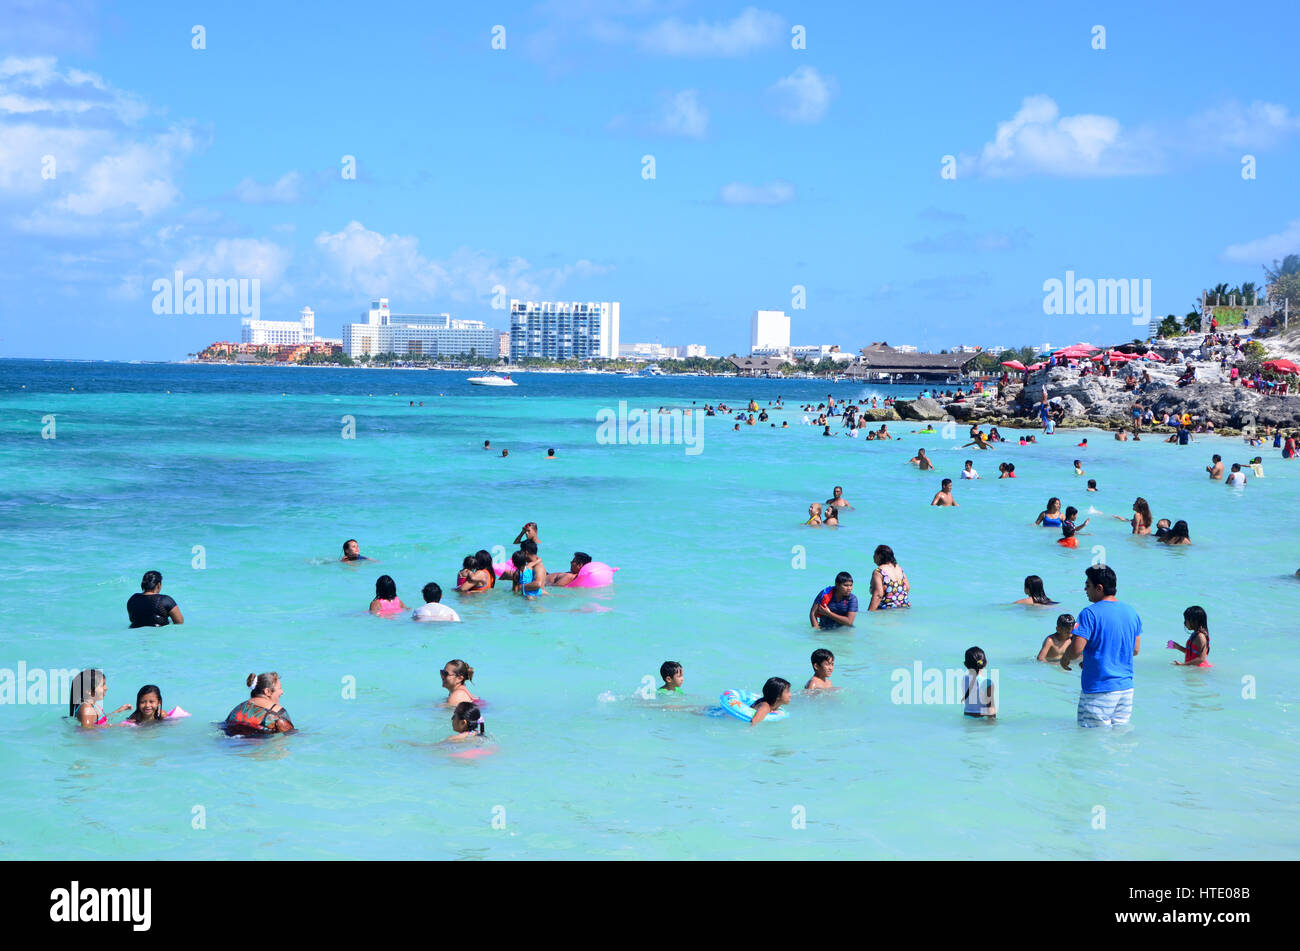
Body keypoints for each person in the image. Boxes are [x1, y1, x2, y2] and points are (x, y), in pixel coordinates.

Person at [1061, 565, 1141, 728]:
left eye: (1088, 585)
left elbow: (1076, 650)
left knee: (1092, 740)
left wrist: (1065, 657)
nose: (1085, 589)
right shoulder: (1131, 612)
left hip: (1099, 689)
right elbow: (1135, 650)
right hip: (1126, 689)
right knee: (1118, 739)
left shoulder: (1089, 613)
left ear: (1099, 588)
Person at [223, 672, 294, 736]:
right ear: (268, 691)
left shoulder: (238, 708)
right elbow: (291, 736)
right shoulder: (277, 714)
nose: (282, 692)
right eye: (279, 688)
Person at [868, 544, 910, 610]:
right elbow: (907, 587)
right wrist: (898, 600)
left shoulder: (879, 572)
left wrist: (870, 613)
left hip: (887, 610)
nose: (873, 557)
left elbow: (878, 595)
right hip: (904, 607)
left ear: (879, 556)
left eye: (874, 554)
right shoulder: (899, 568)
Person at [961, 647, 996, 718]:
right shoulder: (987, 682)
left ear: (965, 664)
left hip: (967, 719)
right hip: (981, 721)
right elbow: (990, 710)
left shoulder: (964, 679)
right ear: (985, 663)